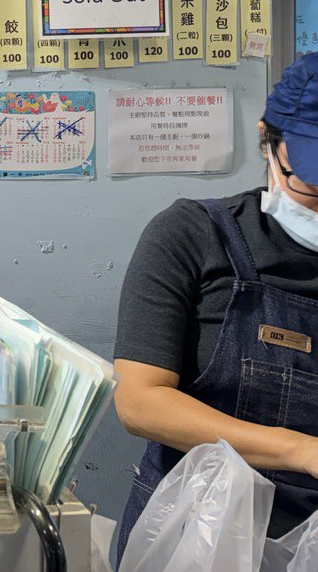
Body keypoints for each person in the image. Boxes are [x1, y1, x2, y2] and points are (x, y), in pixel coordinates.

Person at [113, 53, 318, 564]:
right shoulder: (193, 236)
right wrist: (302, 451)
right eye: (311, 187)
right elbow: (140, 401)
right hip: (197, 533)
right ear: (266, 143)